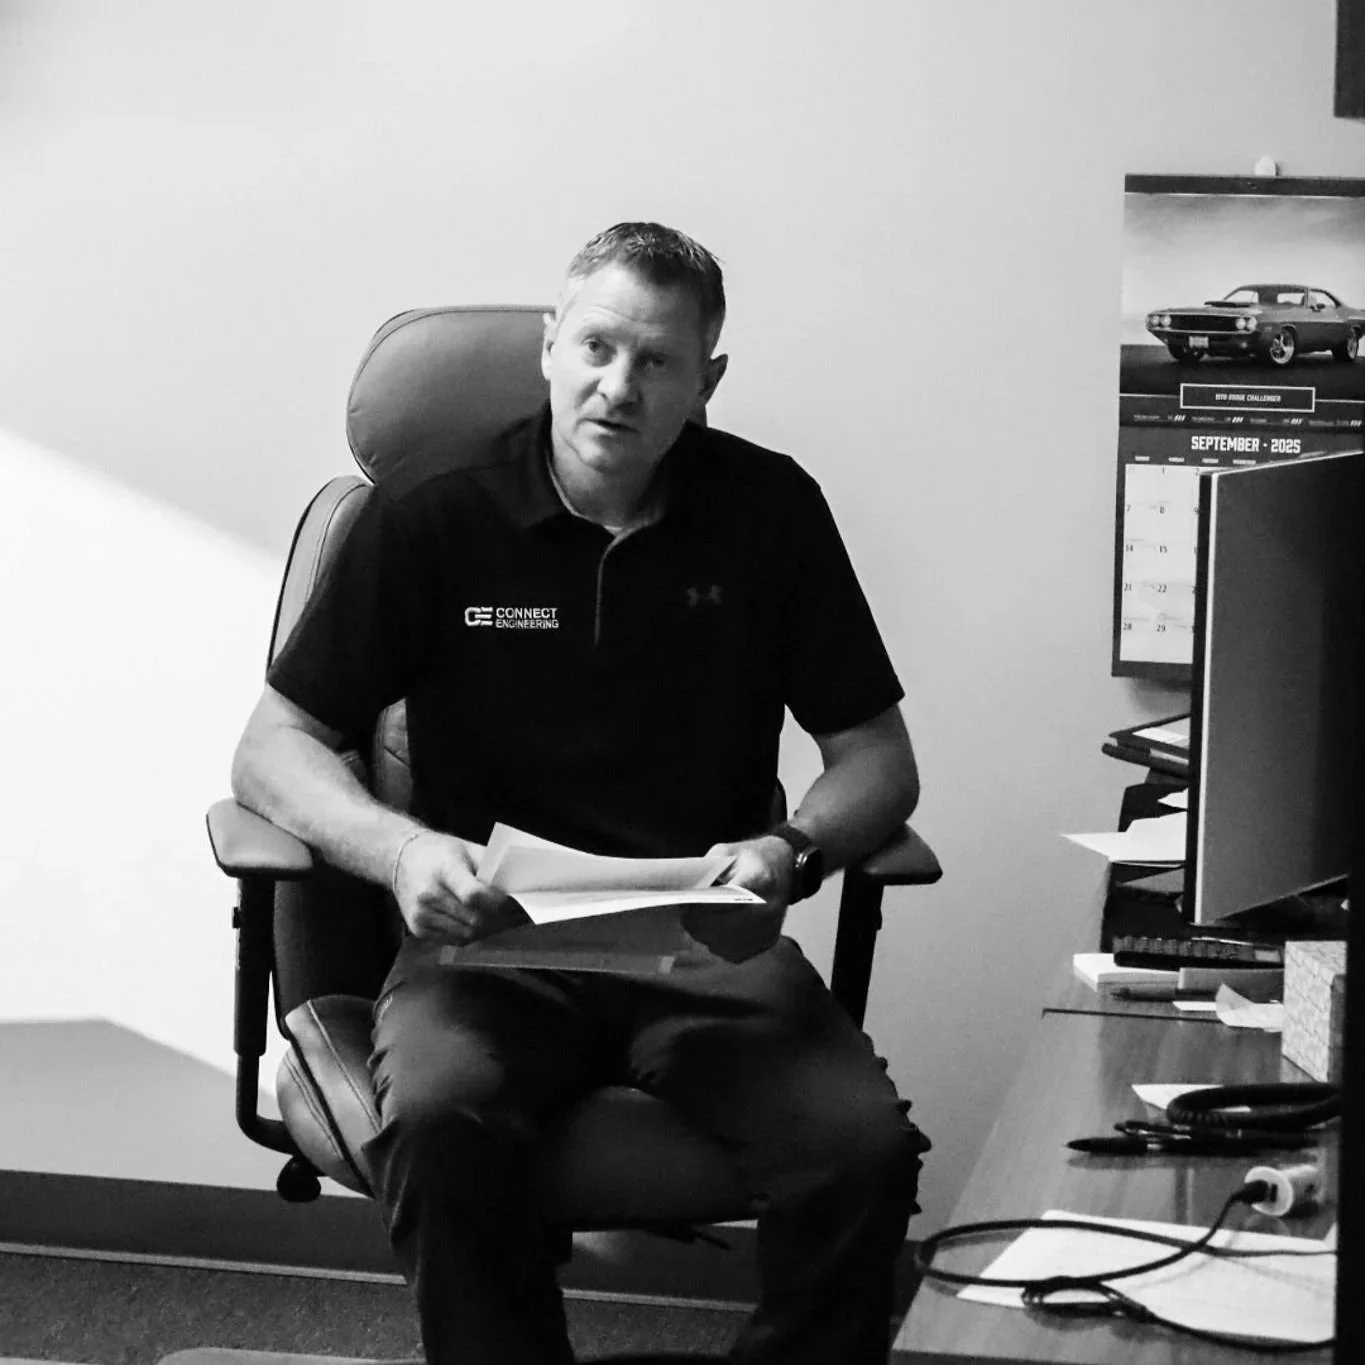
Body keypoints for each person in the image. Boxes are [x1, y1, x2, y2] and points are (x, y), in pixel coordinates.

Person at [231, 221, 931, 1365]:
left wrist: (790, 853)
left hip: (700, 942)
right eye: (597, 347)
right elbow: (273, 748)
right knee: (443, 1119)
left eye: (656, 362)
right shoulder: (435, 517)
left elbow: (879, 761)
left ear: (705, 381)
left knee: (862, 1153)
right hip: (488, 944)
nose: (618, 387)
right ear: (551, 346)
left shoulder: (770, 512)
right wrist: (401, 853)